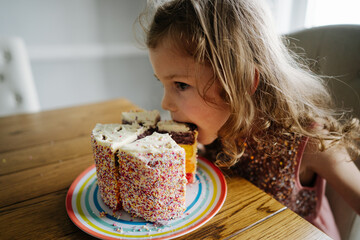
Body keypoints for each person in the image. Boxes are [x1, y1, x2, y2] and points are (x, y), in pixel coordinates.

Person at [139, 0, 360, 239]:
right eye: (162, 83)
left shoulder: (307, 139)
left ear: (243, 82)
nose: (165, 104)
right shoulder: (214, 127)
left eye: (181, 85)